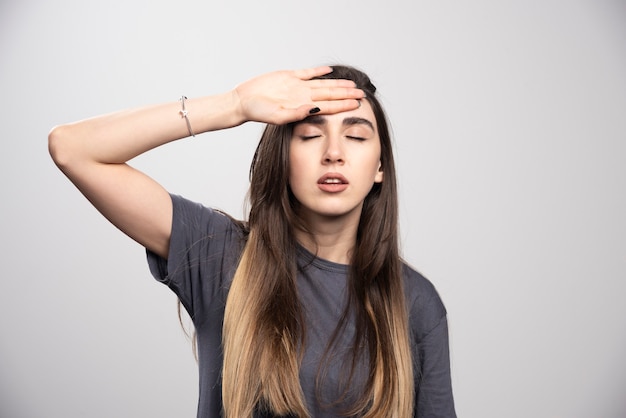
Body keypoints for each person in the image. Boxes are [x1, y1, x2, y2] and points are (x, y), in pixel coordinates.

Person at [49, 65, 456, 418]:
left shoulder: (416, 303)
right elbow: (73, 148)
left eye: (356, 137)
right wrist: (235, 105)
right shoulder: (222, 257)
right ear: (283, 158)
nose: (334, 153)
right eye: (311, 135)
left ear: (380, 166)